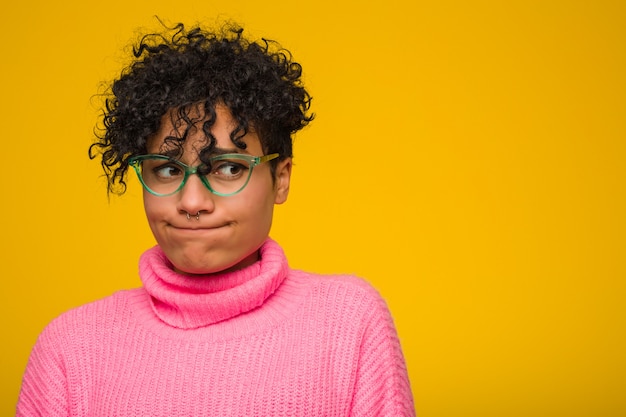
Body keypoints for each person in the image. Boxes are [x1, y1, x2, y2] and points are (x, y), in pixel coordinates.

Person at [17, 20, 415, 416]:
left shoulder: (349, 323)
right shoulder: (70, 350)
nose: (192, 202)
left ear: (280, 178)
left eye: (227, 168)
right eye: (168, 170)